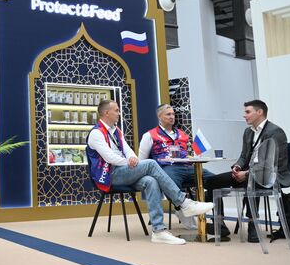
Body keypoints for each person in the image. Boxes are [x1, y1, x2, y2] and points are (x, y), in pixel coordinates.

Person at [86, 100, 214, 245]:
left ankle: (159, 231)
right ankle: (184, 203)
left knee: (151, 181)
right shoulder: (96, 133)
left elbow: (128, 150)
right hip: (110, 175)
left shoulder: (116, 131)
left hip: (123, 171)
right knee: (151, 164)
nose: (119, 113)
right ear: (106, 113)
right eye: (116, 110)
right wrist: (130, 162)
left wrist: (132, 158)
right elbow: (109, 157)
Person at [204, 99, 290, 242]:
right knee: (210, 183)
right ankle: (219, 223)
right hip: (248, 172)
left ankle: (253, 223)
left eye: (247, 112)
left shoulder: (275, 132)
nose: (244, 115)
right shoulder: (248, 132)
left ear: (259, 112)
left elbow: (270, 163)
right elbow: (244, 155)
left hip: (271, 174)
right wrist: (238, 166)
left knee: (253, 180)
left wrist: (246, 174)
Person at [138, 104, 215, 230]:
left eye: (173, 114)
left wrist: (191, 157)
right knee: (171, 179)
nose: (172, 117)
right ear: (159, 116)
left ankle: (216, 217)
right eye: (168, 114)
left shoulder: (182, 134)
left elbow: (187, 153)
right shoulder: (150, 135)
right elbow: (142, 160)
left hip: (187, 167)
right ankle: (181, 209)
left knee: (214, 180)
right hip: (166, 168)